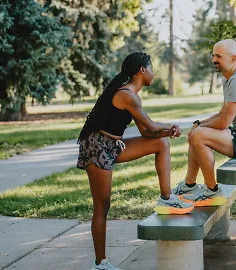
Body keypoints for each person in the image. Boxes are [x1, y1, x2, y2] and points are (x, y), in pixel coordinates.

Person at [76, 52, 194, 270]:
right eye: (151, 68)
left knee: (161, 144)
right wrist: (171, 127)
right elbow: (150, 126)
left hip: (113, 145)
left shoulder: (132, 95)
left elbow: (147, 133)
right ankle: (100, 264)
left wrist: (167, 133)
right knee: (102, 206)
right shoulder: (127, 95)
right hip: (97, 147)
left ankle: (167, 199)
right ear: (141, 70)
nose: (153, 73)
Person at [171, 39, 236, 206]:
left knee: (198, 136)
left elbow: (224, 122)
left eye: (218, 56)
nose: (213, 60)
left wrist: (200, 128)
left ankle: (212, 191)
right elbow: (222, 113)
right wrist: (199, 123)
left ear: (233, 59)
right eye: (213, 55)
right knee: (196, 134)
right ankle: (189, 185)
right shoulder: (230, 78)